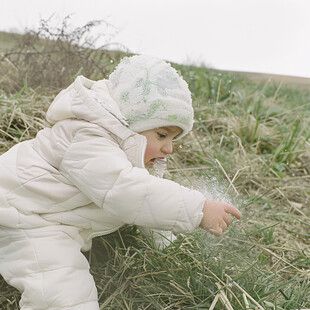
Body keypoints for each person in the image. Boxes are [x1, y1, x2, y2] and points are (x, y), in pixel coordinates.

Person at [0, 55, 241, 309]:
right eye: (162, 135)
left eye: (174, 139)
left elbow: (146, 201)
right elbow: (129, 192)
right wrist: (199, 210)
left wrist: (166, 244)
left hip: (53, 214)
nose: (169, 148)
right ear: (131, 123)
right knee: (62, 290)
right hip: (22, 216)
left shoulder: (124, 151)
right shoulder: (87, 138)